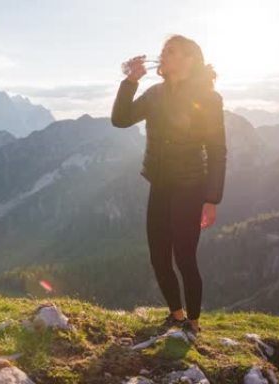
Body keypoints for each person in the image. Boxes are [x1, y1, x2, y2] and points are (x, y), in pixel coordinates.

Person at [111, 34, 227, 339]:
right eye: (163, 51)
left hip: (191, 186)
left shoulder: (209, 98)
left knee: (185, 257)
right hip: (159, 184)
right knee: (158, 256)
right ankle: (176, 315)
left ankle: (194, 324)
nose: (163, 55)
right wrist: (131, 81)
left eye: (170, 51)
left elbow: (217, 150)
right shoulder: (154, 94)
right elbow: (120, 119)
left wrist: (212, 198)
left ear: (189, 59)